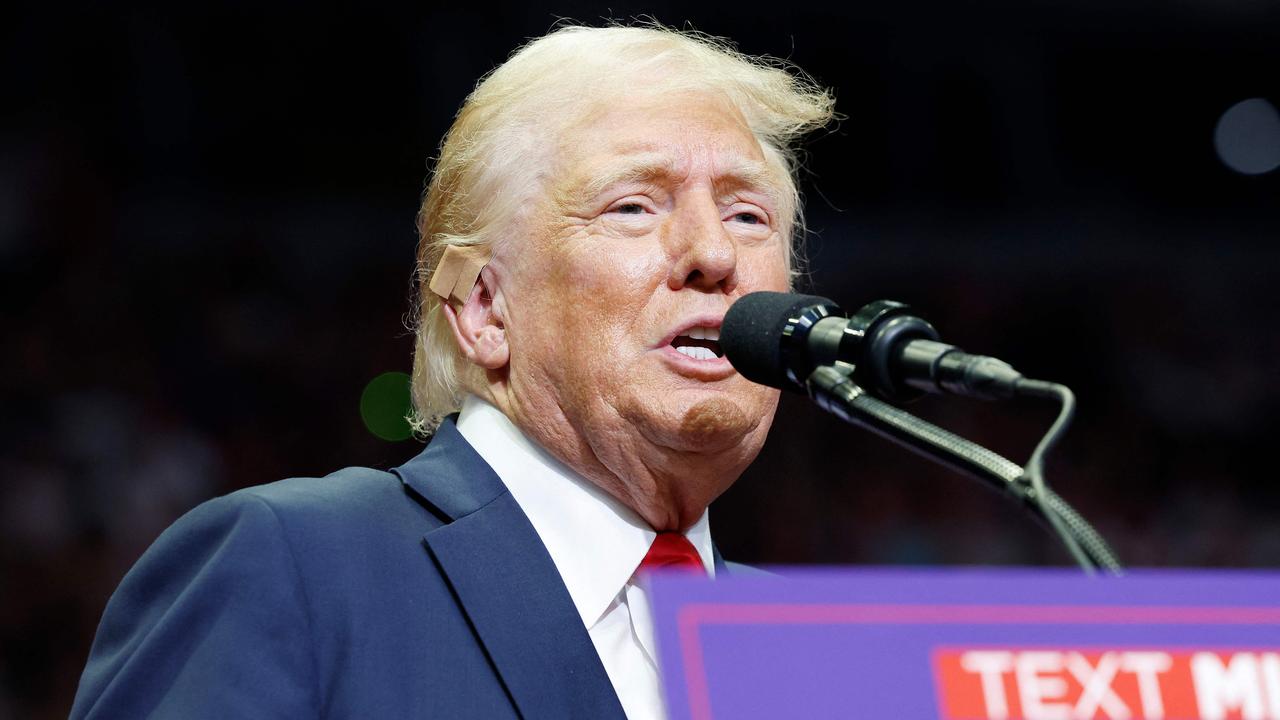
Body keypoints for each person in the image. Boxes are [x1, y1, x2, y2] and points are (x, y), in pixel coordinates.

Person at [71, 23, 834, 719]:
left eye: (748, 216)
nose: (715, 253)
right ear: (482, 308)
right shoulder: (295, 566)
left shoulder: (814, 651)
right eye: (633, 206)